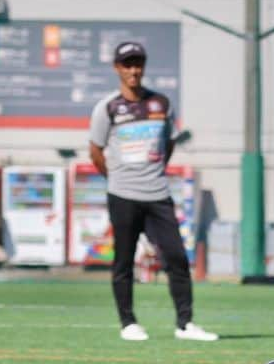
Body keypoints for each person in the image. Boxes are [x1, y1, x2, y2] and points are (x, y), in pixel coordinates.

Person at [87, 41, 216, 342]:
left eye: (137, 64)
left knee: (176, 257)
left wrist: (151, 171)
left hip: (157, 193)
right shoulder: (107, 108)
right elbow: (95, 150)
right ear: (117, 68)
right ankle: (128, 322)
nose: (133, 70)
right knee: (123, 260)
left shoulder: (161, 104)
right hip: (122, 195)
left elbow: (168, 143)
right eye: (127, 64)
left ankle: (185, 324)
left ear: (143, 67)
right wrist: (117, 177)